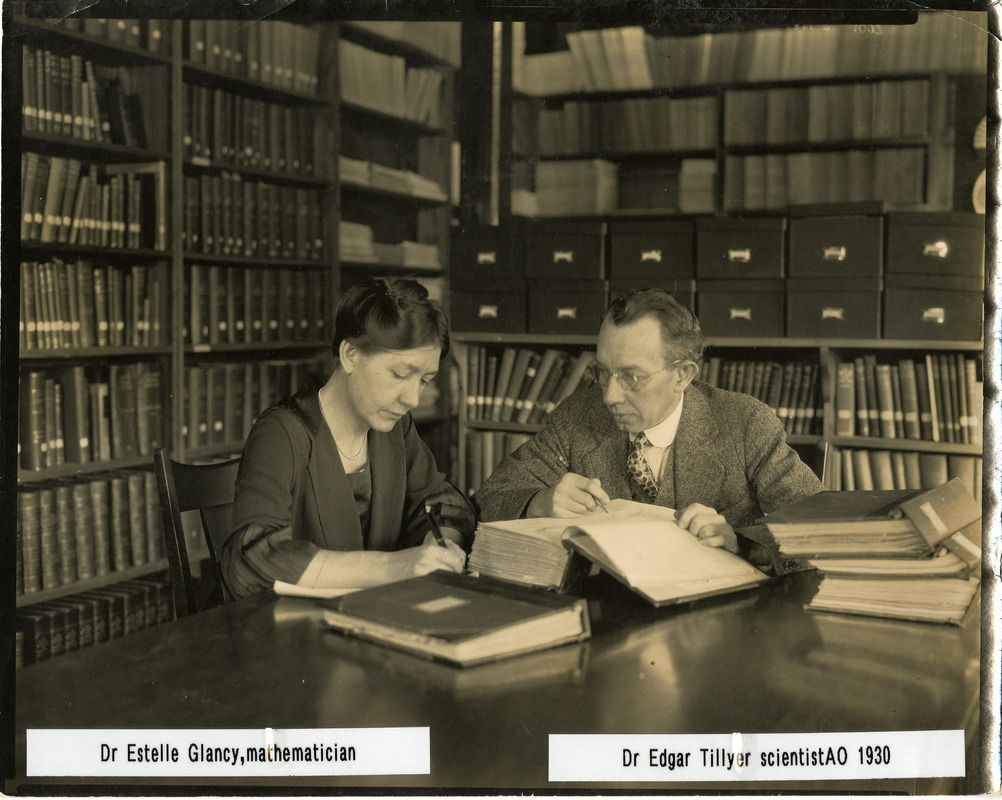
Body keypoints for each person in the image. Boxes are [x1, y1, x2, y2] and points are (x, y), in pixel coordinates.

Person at [472, 288, 823, 558]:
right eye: (603, 373)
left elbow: (821, 529)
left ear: (682, 375)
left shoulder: (745, 423)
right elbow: (489, 500)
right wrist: (538, 502)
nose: (609, 396)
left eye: (631, 377)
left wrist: (742, 543)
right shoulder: (577, 416)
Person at [222, 277, 474, 598]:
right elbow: (253, 558)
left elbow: (440, 500)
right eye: (400, 374)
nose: (412, 398)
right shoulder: (281, 432)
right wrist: (395, 566)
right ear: (350, 354)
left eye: (425, 380)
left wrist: (440, 550)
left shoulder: (395, 428)